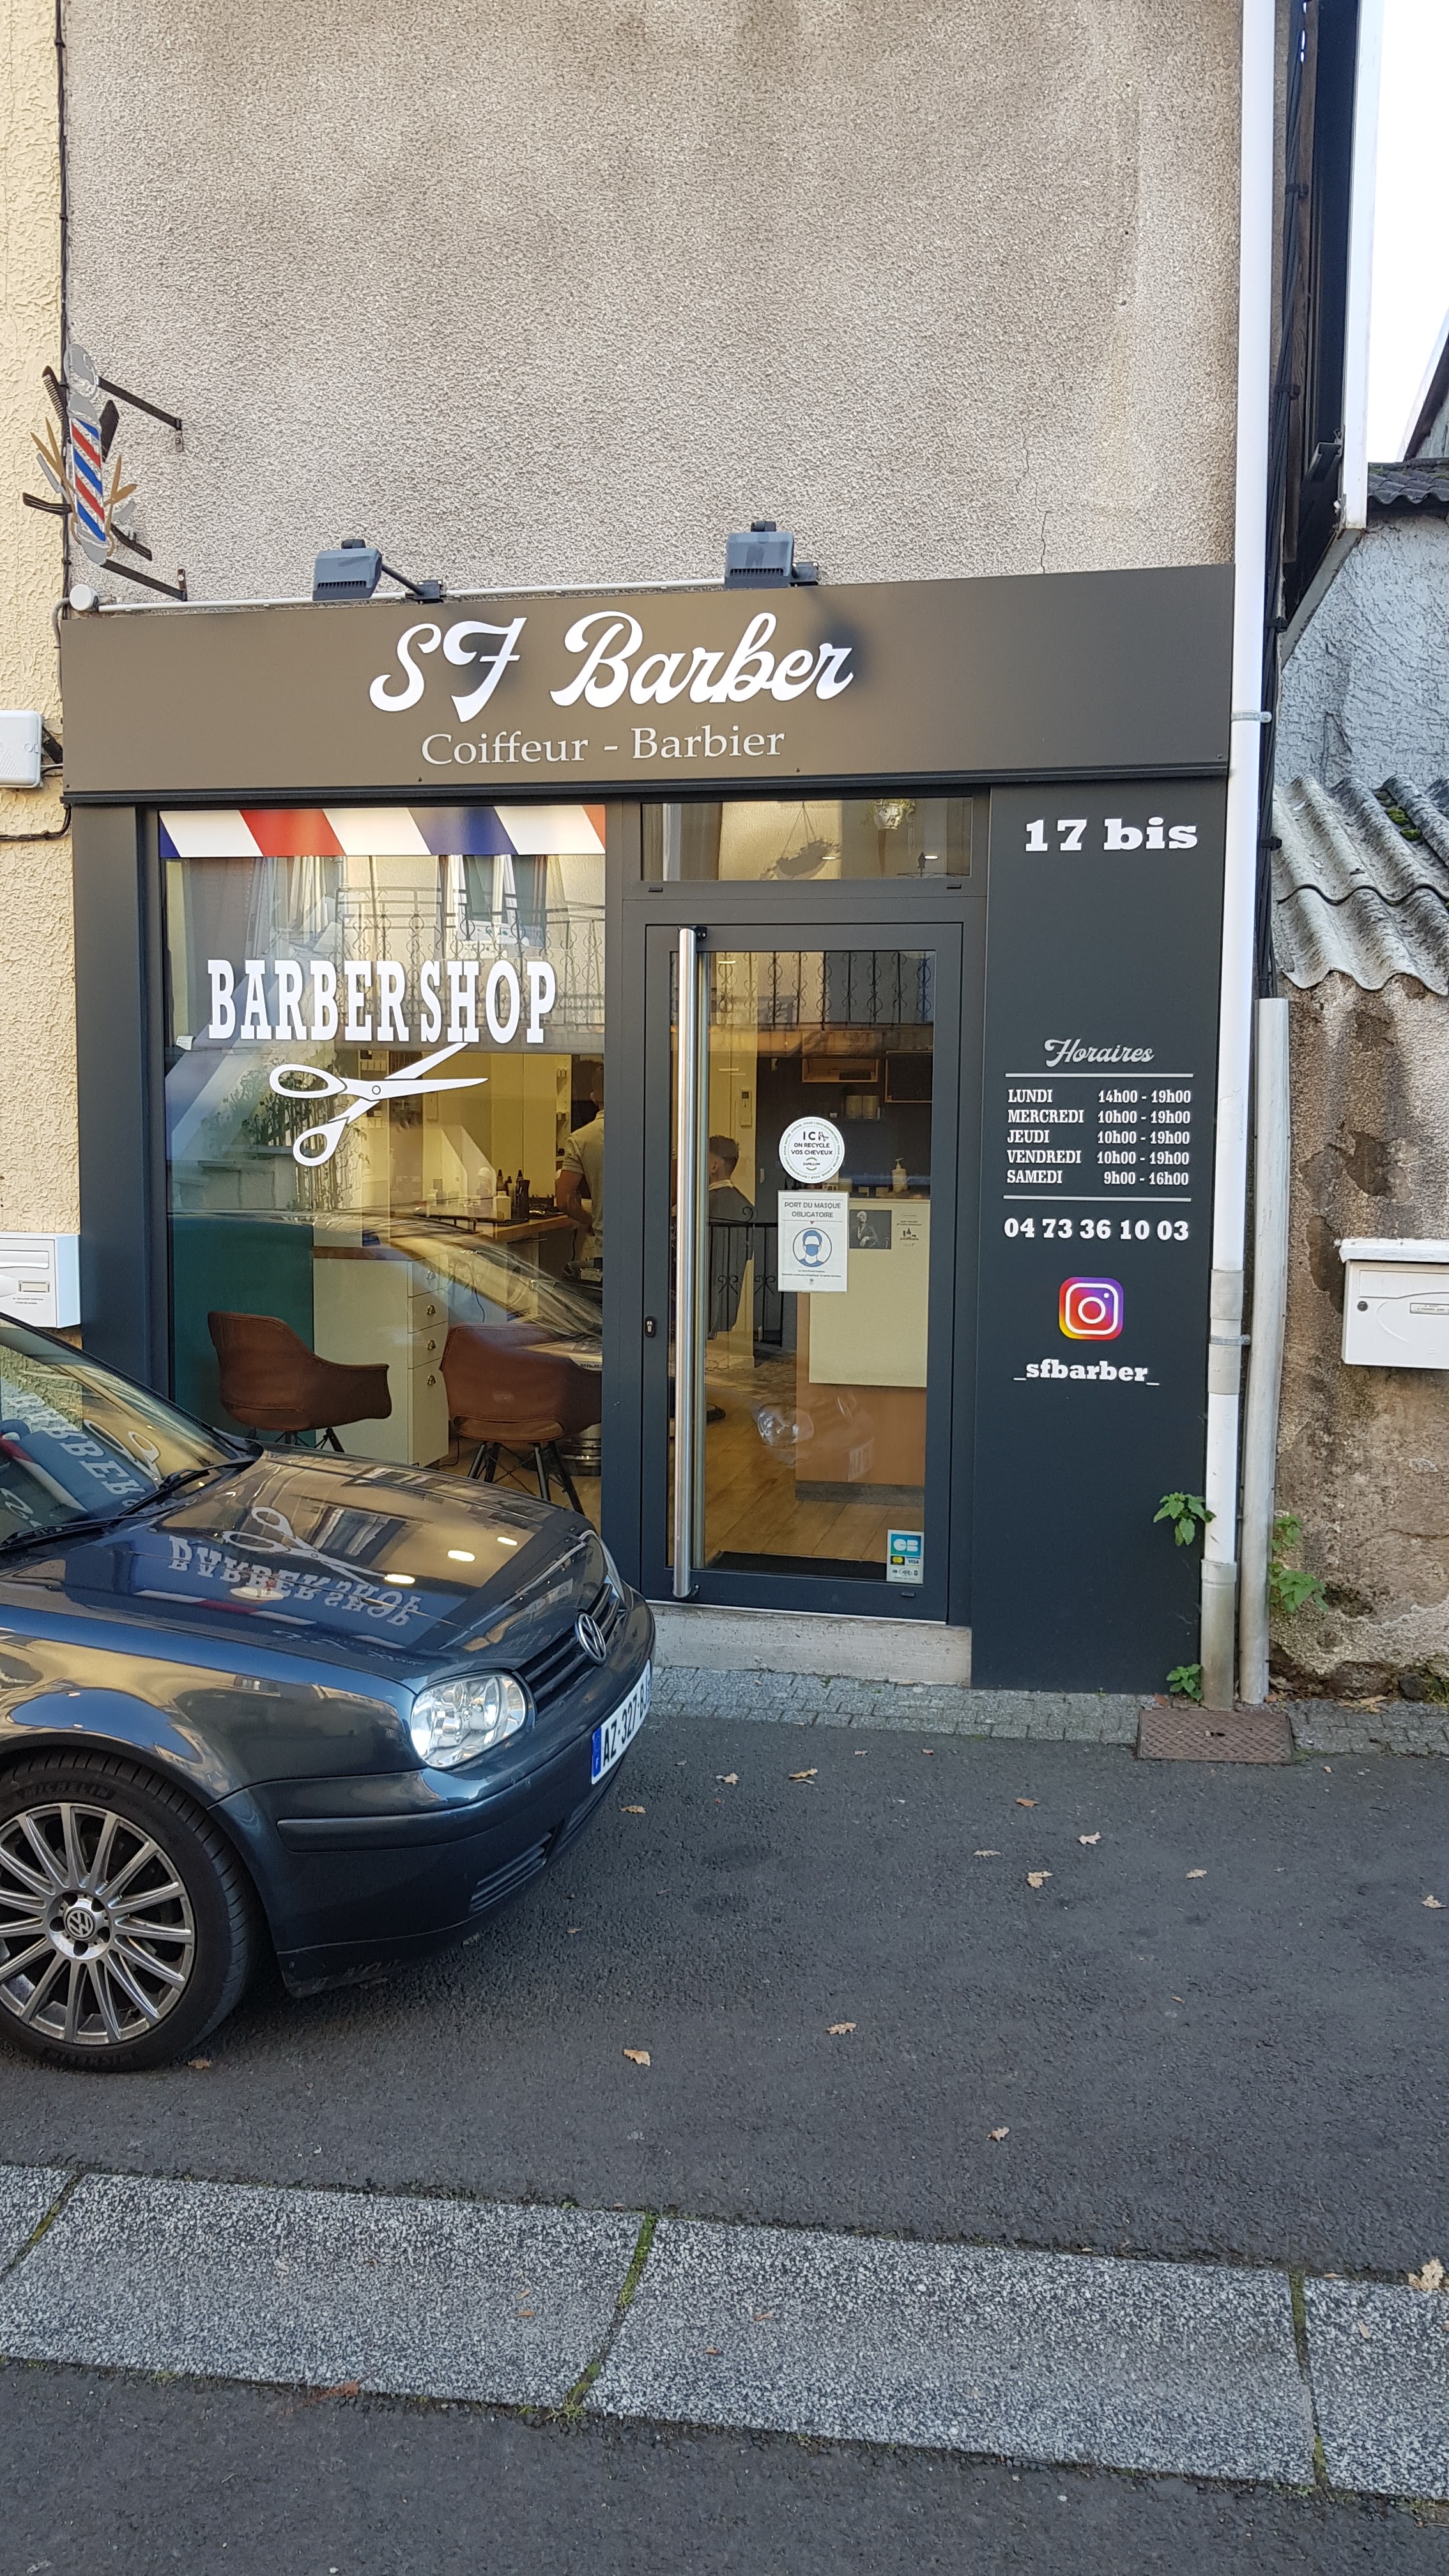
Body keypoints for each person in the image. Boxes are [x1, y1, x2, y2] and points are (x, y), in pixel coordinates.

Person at [556, 1075, 604, 1287]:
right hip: (655, 1248)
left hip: (607, 1249)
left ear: (593, 1098)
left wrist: (590, 1220)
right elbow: (674, 1193)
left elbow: (565, 1200)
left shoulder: (581, 1139)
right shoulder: (658, 1132)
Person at [707, 1134, 754, 1335]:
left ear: (714, 1166)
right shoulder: (745, 1207)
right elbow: (748, 1253)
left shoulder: (700, 1206)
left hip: (700, 1300)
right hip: (728, 1303)